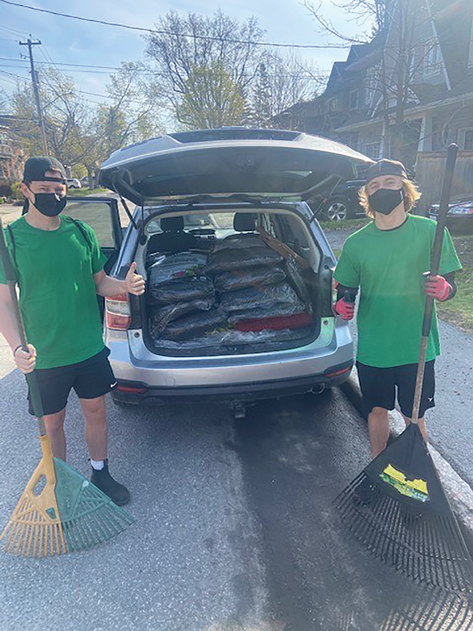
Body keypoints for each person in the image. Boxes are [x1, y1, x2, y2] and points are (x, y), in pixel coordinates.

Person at [0, 156, 146, 505]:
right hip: (45, 354)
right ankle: (59, 483)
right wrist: (17, 348)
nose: (53, 195)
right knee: (53, 424)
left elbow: (100, 283)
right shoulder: (10, 240)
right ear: (26, 191)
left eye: (59, 188)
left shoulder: (81, 232)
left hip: (88, 348)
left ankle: (100, 472)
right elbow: (4, 303)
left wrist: (125, 285)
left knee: (96, 411)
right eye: (44, 189)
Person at [333, 159, 462, 458]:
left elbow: (451, 286)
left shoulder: (432, 232)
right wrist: (342, 305)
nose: (382, 189)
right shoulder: (356, 243)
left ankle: (420, 471)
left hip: (416, 345)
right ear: (367, 195)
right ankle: (377, 465)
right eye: (374, 186)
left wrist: (443, 289)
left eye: (390, 182)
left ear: (404, 190)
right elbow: (346, 290)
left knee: (414, 416)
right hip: (375, 347)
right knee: (376, 410)